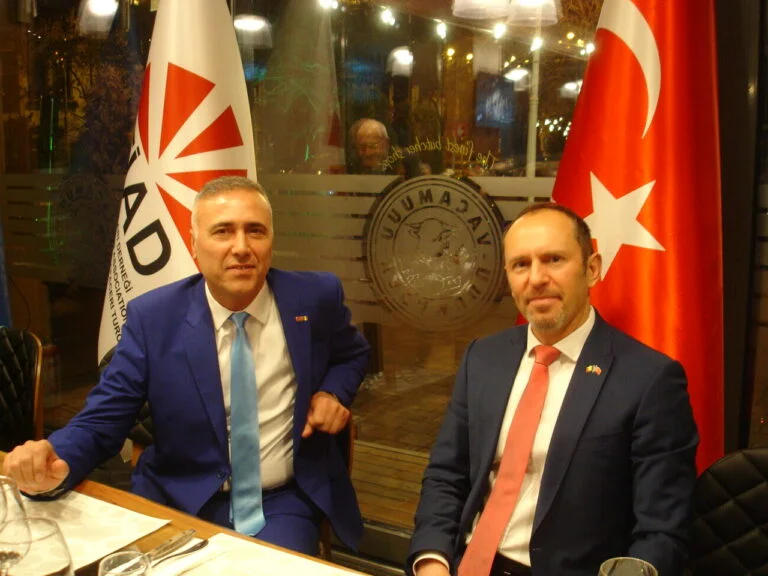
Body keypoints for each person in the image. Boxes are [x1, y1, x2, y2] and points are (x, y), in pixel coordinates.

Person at [3, 176, 370, 556]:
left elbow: (352, 354)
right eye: (223, 232)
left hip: (281, 502)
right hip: (176, 495)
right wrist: (54, 458)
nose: (241, 247)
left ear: (271, 241)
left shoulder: (314, 298)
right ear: (194, 245)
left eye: (255, 231)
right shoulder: (154, 319)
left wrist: (331, 393)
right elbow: (102, 420)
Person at [407, 203, 698, 576]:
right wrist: (432, 561)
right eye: (520, 265)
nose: (536, 279)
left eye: (554, 259)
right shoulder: (483, 357)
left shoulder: (649, 380)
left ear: (592, 269)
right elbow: (447, 474)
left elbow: (661, 532)